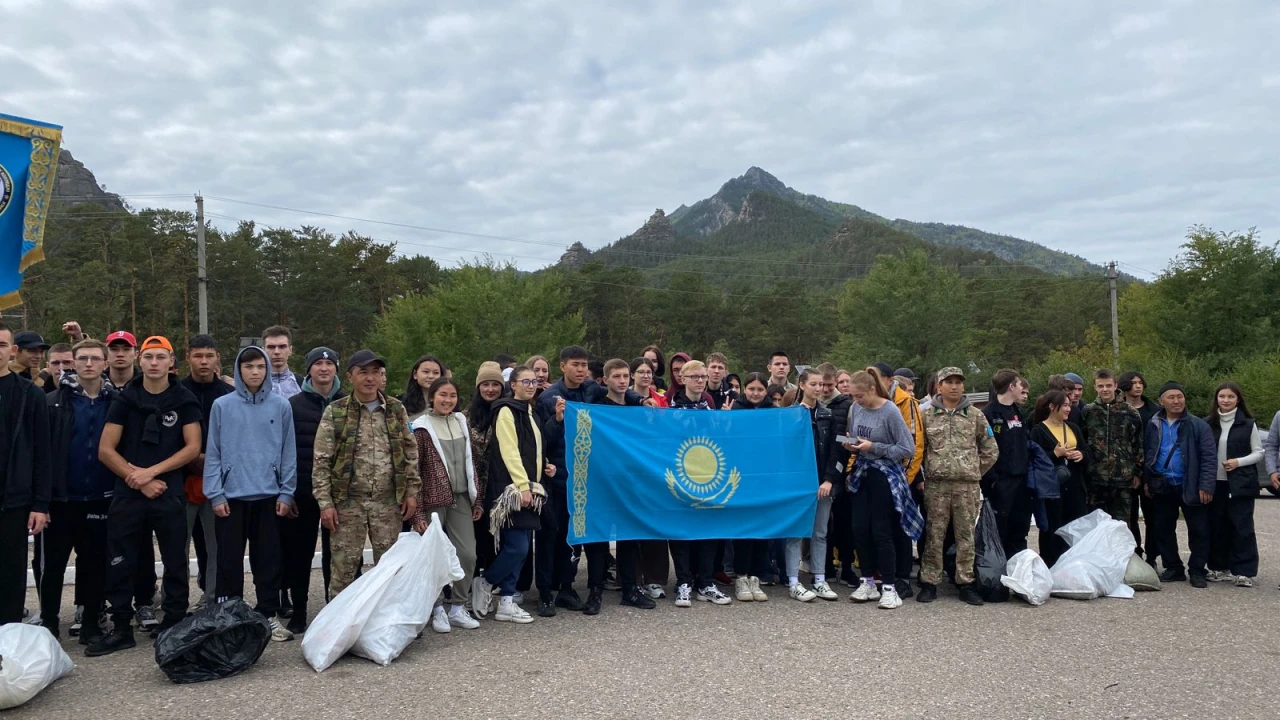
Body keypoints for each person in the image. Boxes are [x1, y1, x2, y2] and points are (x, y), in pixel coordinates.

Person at [87, 336, 202, 655]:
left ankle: (175, 622)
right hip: (129, 492)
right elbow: (105, 450)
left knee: (175, 559)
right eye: (148, 357)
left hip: (168, 491)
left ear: (171, 362)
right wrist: (136, 478)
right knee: (121, 559)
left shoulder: (184, 399)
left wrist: (151, 472)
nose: (154, 363)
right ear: (140, 361)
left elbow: (192, 447)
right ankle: (122, 626)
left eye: (160, 357)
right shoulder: (126, 399)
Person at [203, 346, 297, 642]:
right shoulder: (222, 406)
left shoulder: (281, 406)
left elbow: (288, 453)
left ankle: (268, 614)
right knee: (228, 561)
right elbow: (214, 453)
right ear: (238, 370)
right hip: (231, 498)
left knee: (268, 560)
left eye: (260, 366)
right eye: (248, 367)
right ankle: (230, 616)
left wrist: (286, 493)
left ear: (268, 369)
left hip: (269, 497)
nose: (255, 372)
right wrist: (215, 494)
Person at [312, 350, 420, 597]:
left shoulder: (395, 409)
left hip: (388, 503)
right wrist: (325, 503)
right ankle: (340, 628)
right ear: (350, 376)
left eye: (376, 372)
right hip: (347, 504)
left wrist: (411, 492)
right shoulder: (336, 412)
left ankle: (388, 626)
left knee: (391, 569)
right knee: (343, 571)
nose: (370, 378)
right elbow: (321, 461)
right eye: (363, 372)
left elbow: (410, 452)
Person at [39, 339, 114, 640]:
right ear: (73, 362)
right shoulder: (53, 402)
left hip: (99, 496)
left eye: (95, 358)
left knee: (94, 564)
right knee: (54, 565)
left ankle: (92, 624)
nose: (88, 364)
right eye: (82, 358)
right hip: (61, 498)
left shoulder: (117, 402)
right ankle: (48, 624)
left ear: (105, 364)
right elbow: (42, 454)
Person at [471, 366, 547, 624]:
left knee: (523, 547)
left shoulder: (531, 412)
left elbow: (533, 449)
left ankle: (506, 601)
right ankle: (487, 581)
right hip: (511, 489)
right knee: (517, 546)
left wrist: (545, 466)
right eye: (525, 381)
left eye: (534, 381)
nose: (531, 385)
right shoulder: (506, 411)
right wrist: (522, 486)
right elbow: (509, 450)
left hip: (531, 487)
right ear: (512, 385)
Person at [917, 367, 999, 605]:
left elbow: (990, 449)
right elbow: (919, 449)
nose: (954, 386)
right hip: (936, 486)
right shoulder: (927, 415)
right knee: (934, 534)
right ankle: (930, 581)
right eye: (949, 382)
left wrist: (972, 471)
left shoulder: (975, 415)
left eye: (958, 382)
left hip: (967, 487)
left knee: (965, 536)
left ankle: (965, 582)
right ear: (939, 386)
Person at [581, 360, 657, 613]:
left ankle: (630, 589)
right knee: (598, 537)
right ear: (606, 379)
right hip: (601, 480)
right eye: (616, 376)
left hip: (630, 480)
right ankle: (595, 590)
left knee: (629, 537)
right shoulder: (597, 408)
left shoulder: (637, 407)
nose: (622, 381)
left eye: (626, 376)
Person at [842, 368, 919, 610]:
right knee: (860, 528)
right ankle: (867, 581)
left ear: (872, 390)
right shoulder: (855, 409)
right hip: (862, 472)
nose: (856, 401)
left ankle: (889, 586)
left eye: (860, 396)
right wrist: (852, 446)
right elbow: (857, 438)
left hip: (885, 475)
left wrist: (874, 447)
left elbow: (907, 448)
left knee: (881, 530)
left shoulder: (890, 411)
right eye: (853, 396)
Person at [412, 377, 485, 632]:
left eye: (452, 396)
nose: (447, 400)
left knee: (467, 553)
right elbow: (415, 470)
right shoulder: (421, 427)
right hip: (432, 500)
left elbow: (471, 462)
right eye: (442, 395)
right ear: (432, 397)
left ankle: (457, 606)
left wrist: (478, 498)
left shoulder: (462, 422)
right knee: (432, 558)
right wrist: (418, 511)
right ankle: (435, 609)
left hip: (461, 498)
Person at [283, 347, 344, 632]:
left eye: (329, 363)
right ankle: (299, 612)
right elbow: (285, 451)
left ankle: (338, 610)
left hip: (341, 495)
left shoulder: (348, 403)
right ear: (308, 369)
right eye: (317, 363)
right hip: (304, 492)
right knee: (300, 555)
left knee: (340, 555)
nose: (323, 368)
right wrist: (288, 491)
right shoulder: (293, 405)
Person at [665, 360, 732, 606]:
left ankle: (705, 582)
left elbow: (718, 440)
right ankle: (684, 581)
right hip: (680, 476)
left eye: (703, 376)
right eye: (695, 376)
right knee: (681, 530)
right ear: (682, 378)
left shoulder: (710, 405)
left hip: (707, 475)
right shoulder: (670, 405)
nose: (701, 380)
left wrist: (723, 423)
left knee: (708, 528)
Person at [0, 323, 52, 626]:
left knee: (10, 577)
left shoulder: (29, 395)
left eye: (2, 344)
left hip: (14, 501)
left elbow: (42, 453)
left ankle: (7, 646)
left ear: (12, 350)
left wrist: (40, 504)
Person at [1144, 382, 1217, 588]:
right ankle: (1173, 567)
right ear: (1161, 401)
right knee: (1163, 528)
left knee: (1199, 530)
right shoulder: (1153, 423)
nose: (1177, 401)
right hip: (1162, 483)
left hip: (1191, 484)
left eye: (1180, 396)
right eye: (1171, 397)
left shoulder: (1198, 425)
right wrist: (1148, 481)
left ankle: (1197, 570)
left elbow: (1209, 457)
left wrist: (1206, 485)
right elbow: (1148, 452)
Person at [180, 334, 232, 611]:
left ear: (217, 359)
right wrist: (190, 458)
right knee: (177, 547)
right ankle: (176, 602)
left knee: (216, 548)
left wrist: (209, 461)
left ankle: (212, 600)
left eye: (208, 356)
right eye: (198, 356)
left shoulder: (228, 395)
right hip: (180, 480)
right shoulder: (175, 391)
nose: (203, 361)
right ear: (188, 357)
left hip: (218, 483)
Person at [783, 368, 841, 604]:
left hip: (822, 485)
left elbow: (836, 451)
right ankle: (793, 582)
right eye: (814, 384)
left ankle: (819, 578)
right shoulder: (790, 415)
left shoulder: (828, 415)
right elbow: (783, 452)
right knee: (796, 533)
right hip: (797, 486)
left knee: (820, 533)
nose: (818, 388)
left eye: (821, 384)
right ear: (802, 385)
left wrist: (828, 479)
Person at [1204, 382, 1263, 587]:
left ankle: (1244, 571)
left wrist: (1238, 462)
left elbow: (1259, 453)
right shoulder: (1208, 423)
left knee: (1242, 527)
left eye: (1230, 397)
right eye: (1222, 396)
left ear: (1238, 399)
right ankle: (1219, 568)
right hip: (1215, 484)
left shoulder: (1248, 424)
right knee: (1217, 526)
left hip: (1240, 484)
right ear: (1216, 399)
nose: (1226, 400)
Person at [729, 373, 775, 602]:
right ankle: (741, 576)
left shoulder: (774, 413)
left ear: (765, 391)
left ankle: (756, 576)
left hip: (765, 478)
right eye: (751, 389)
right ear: (744, 390)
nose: (755, 393)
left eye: (760, 389)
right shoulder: (735, 410)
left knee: (762, 529)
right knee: (744, 530)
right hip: (741, 478)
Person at [1029, 390, 1087, 567]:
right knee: (1052, 526)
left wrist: (1081, 455)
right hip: (1052, 488)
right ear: (1052, 407)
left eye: (1070, 405)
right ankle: (1050, 564)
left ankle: (1074, 565)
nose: (1069, 409)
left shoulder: (1073, 427)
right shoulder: (1038, 430)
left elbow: (1087, 450)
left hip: (1074, 485)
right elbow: (1033, 458)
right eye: (1065, 405)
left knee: (1075, 524)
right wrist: (1055, 453)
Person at [1082, 370, 1144, 531]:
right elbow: (1083, 442)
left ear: (1115, 385)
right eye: (1100, 386)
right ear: (1095, 387)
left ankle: (1124, 555)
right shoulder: (1089, 411)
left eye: (1108, 385)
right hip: (1096, 479)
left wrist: (1137, 472)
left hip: (1123, 478)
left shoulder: (1130, 412)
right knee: (1097, 526)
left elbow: (1138, 444)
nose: (1105, 389)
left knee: (1123, 525)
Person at [982, 369, 1033, 557]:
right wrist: (993, 480)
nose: (1023, 389)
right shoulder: (988, 413)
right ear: (1011, 386)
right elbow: (983, 450)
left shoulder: (1019, 412)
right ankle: (999, 576)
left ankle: (1019, 572)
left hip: (1022, 481)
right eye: (1020, 384)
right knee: (1000, 529)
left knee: (1020, 529)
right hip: (1001, 482)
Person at [466, 361, 505, 584]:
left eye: (495, 384)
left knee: (496, 538)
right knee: (475, 539)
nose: (490, 389)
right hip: (475, 487)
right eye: (485, 384)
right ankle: (471, 585)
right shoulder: (466, 416)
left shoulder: (509, 411)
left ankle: (493, 584)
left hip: (501, 485)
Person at [402, 355, 447, 423]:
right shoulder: (402, 404)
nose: (431, 376)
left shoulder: (447, 402)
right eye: (426, 372)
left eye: (436, 373)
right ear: (415, 374)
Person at [262, 325, 302, 399]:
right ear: (263, 350)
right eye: (271, 347)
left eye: (282, 346)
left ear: (290, 350)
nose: (276, 352)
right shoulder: (254, 385)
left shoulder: (302, 384)